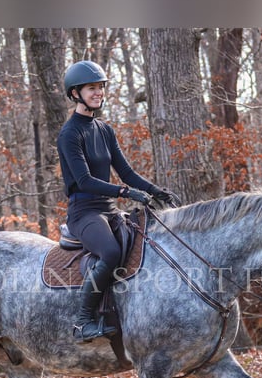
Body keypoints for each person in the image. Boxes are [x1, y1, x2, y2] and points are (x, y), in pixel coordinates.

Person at [57, 60, 178, 344]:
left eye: (100, 88)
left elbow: (126, 172)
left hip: (109, 210)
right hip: (84, 213)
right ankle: (83, 321)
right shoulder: (70, 133)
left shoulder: (104, 130)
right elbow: (85, 181)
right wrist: (125, 193)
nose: (98, 93)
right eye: (91, 88)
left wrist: (155, 191)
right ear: (75, 93)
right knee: (110, 253)